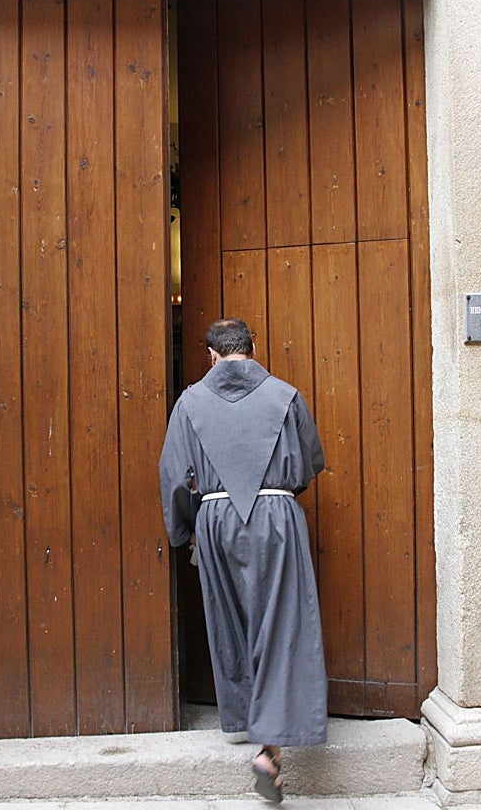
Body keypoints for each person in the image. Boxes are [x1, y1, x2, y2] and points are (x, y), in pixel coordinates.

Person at [159, 318, 328, 804]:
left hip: (214, 518)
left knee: (231, 623)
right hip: (276, 514)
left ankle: (246, 716)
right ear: (254, 349)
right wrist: (273, 495)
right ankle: (269, 749)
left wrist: (184, 532)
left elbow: (174, 476)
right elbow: (308, 464)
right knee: (282, 623)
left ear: (211, 356)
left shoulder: (189, 401)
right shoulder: (287, 395)